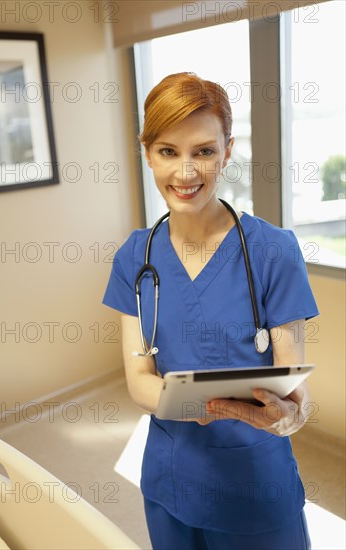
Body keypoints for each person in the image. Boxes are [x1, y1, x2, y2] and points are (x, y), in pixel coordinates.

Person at [102, 72, 319, 550]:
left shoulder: (274, 251)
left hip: (256, 483)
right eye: (167, 151)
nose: (186, 173)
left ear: (227, 150)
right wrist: (203, 405)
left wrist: (290, 417)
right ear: (147, 153)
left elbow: (294, 387)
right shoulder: (135, 258)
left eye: (203, 151)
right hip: (171, 478)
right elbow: (139, 378)